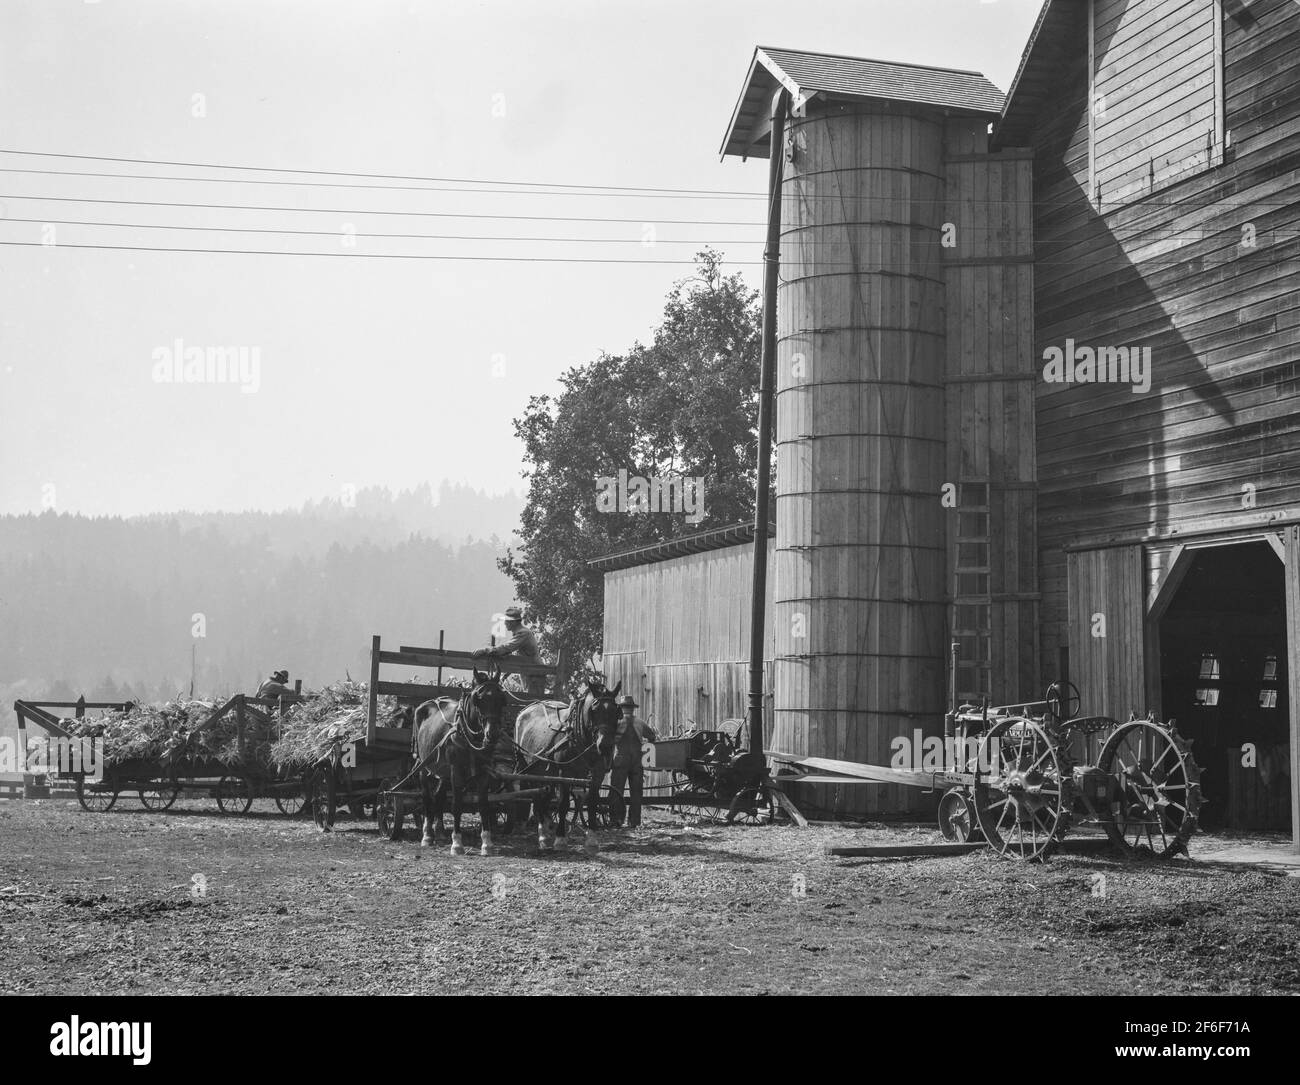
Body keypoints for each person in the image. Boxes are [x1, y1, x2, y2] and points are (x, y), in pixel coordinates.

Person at [471, 606, 547, 698]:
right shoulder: (521, 633)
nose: (505, 623)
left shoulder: (523, 633)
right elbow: (510, 651)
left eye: (507, 621)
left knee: (533, 702)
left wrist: (485, 650)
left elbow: (506, 648)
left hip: (534, 674)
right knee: (530, 701)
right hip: (530, 673)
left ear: (513, 622)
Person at [608, 694, 655, 828]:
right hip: (637, 761)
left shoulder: (615, 722)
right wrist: (645, 751)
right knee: (636, 792)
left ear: (621, 708)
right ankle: (634, 821)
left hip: (620, 760)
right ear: (633, 709)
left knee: (616, 790)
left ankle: (616, 820)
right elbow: (652, 737)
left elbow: (608, 740)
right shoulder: (640, 722)